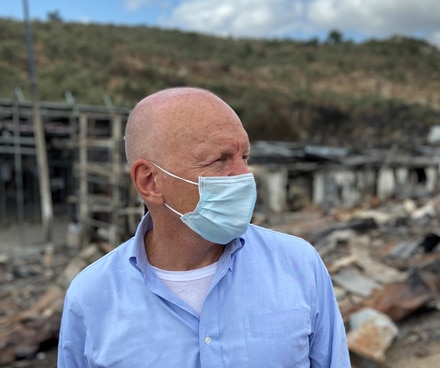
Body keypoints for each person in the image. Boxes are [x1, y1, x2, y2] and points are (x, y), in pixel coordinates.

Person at [57, 87, 351, 367]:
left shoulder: (299, 264)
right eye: (220, 160)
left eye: (244, 157)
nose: (244, 176)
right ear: (150, 182)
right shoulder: (91, 297)